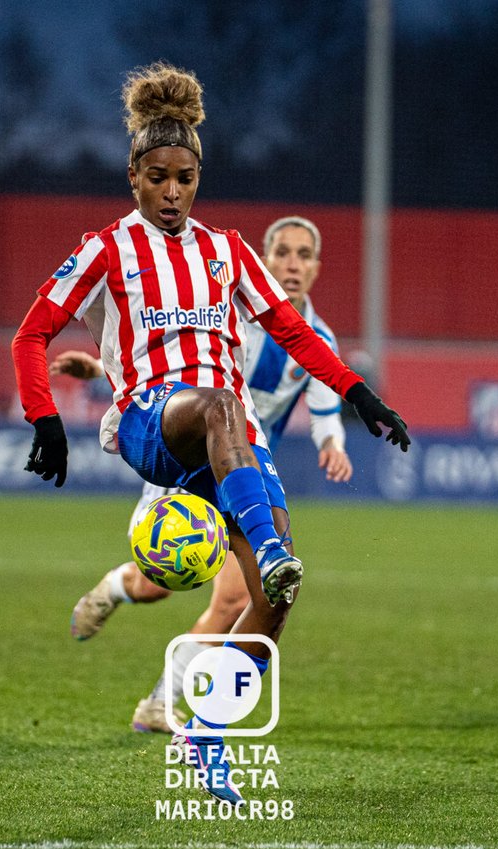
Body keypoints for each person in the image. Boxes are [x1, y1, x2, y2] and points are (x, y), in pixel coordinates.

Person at [10, 64, 408, 803]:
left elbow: (293, 330)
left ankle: (205, 729)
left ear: (199, 178)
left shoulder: (226, 250)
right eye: (157, 177)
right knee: (224, 410)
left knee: (276, 595)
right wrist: (44, 417)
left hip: (231, 437)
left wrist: (361, 394)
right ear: (133, 176)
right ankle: (257, 555)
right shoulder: (106, 249)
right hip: (152, 421)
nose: (171, 192)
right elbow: (30, 334)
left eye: (185, 179)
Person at [55, 215, 351, 733]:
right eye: (282, 252)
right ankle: (114, 588)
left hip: (245, 477)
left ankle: (160, 702)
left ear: (317, 268)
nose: (292, 264)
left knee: (237, 598)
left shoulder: (316, 338)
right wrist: (102, 370)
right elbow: (169, 358)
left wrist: (334, 445)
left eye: (304, 255)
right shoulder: (230, 304)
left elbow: (327, 411)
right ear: (264, 258)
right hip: (188, 456)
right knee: (158, 584)